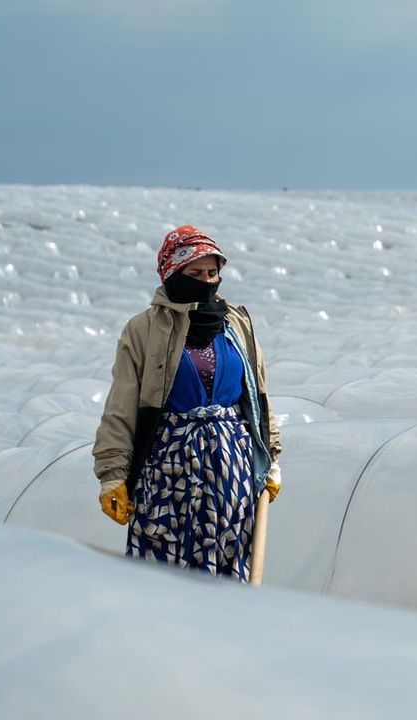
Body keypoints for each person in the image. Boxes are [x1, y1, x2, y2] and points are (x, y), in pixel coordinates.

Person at [93, 225, 282, 581]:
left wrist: (271, 457)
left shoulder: (236, 325)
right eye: (195, 274)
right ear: (171, 274)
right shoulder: (144, 330)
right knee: (163, 571)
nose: (206, 281)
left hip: (231, 475)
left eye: (212, 273)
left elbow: (259, 396)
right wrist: (112, 475)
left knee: (227, 570)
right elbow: (121, 407)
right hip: (168, 474)